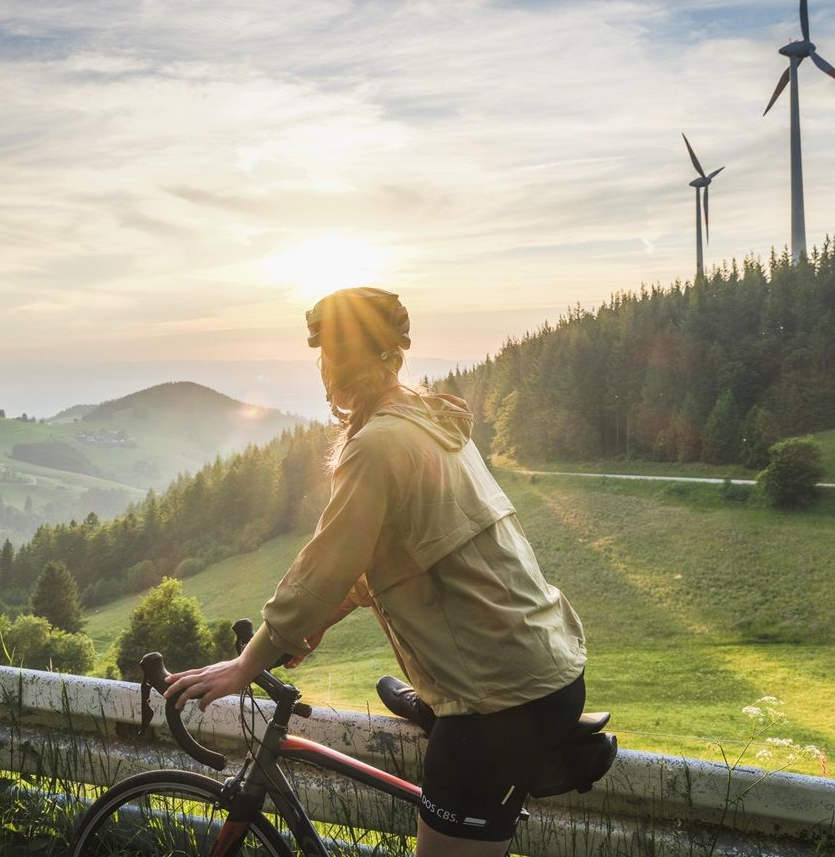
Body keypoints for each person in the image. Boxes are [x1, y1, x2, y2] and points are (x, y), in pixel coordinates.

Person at [165, 287, 593, 856]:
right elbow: (392, 561)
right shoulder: (430, 425)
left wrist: (249, 662)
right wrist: (316, 626)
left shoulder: (377, 445)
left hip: (497, 699)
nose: (332, 367)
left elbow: (325, 566)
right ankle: (436, 702)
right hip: (543, 665)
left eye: (336, 354)